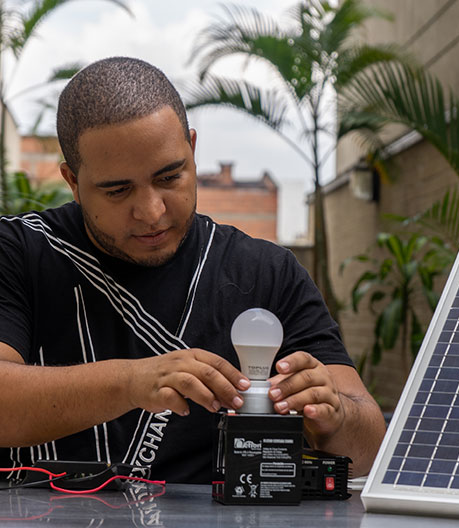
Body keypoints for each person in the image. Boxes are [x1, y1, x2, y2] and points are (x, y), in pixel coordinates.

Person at [0, 57, 385, 483]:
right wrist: (133, 382)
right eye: (117, 190)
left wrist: (334, 415)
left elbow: (368, 451)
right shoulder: (18, 252)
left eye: (169, 177)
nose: (151, 212)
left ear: (193, 150)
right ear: (73, 181)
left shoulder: (266, 273)